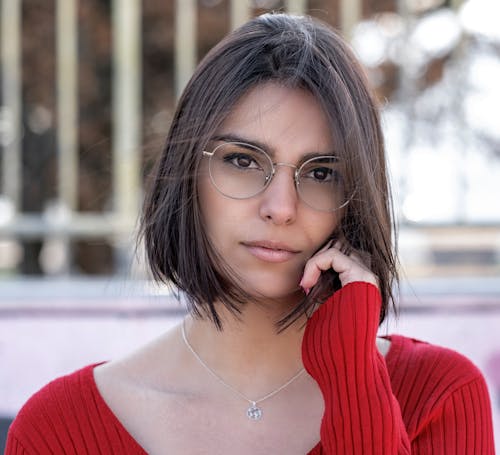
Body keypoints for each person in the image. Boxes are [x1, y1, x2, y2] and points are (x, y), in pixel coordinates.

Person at [6, 13, 495, 455]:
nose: (281, 208)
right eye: (242, 161)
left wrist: (351, 378)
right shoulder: (60, 429)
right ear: (186, 175)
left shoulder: (437, 396)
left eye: (321, 172)